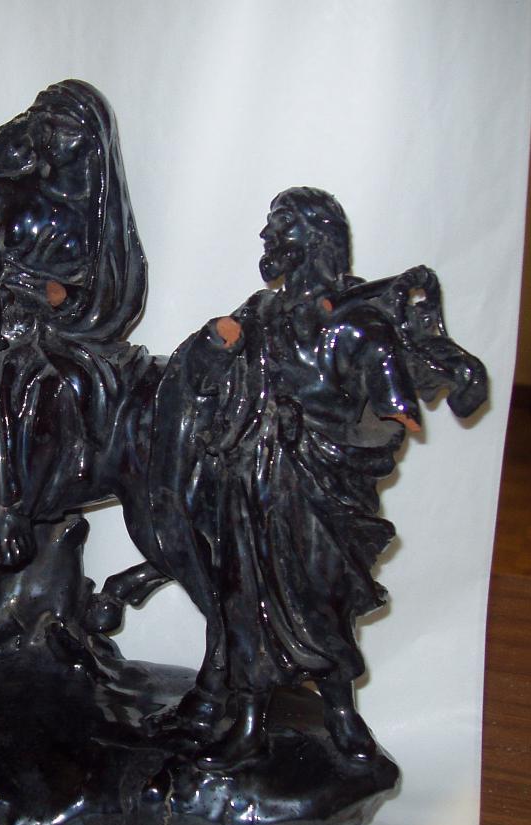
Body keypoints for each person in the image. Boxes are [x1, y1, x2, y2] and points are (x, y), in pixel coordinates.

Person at [151, 187, 486, 766]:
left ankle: (341, 714)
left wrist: (322, 432)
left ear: (316, 239)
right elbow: (200, 373)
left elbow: (395, 414)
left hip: (318, 492)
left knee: (322, 602)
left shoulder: (358, 327)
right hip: (249, 487)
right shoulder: (258, 313)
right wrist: (215, 344)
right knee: (244, 600)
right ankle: (249, 717)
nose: (267, 237)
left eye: (281, 225)